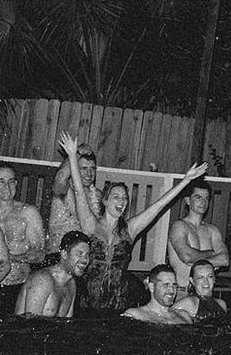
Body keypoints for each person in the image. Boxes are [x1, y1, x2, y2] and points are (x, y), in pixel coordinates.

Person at [58, 132, 208, 311]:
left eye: (124, 198)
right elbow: (79, 193)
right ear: (105, 201)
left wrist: (186, 181)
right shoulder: (91, 224)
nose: (121, 202)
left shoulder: (129, 229)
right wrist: (72, 156)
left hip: (118, 303)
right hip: (87, 303)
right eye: (116, 197)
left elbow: (159, 205)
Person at [0, 163, 46, 312]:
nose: (7, 186)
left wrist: (9, 258)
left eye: (11, 181)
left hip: (19, 286)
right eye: (1, 181)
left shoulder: (28, 213)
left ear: (16, 184)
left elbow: (40, 254)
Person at [15, 231, 92, 318]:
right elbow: (30, 325)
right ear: (64, 254)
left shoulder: (71, 284)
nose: (85, 260)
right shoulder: (42, 281)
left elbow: (67, 323)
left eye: (87, 255)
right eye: (80, 254)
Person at [167, 180, 229, 288]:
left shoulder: (212, 230)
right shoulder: (179, 226)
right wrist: (211, 253)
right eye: (198, 197)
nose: (203, 202)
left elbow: (224, 260)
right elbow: (186, 256)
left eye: (206, 198)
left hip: (205, 292)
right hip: (182, 290)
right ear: (188, 200)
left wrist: (195, 262)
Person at [47, 141, 103, 252]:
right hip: (60, 252)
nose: (89, 174)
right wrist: (75, 154)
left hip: (84, 251)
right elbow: (60, 177)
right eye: (84, 169)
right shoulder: (64, 190)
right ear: (74, 168)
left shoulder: (96, 194)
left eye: (92, 169)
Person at [123, 264, 193, 324]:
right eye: (166, 285)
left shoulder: (184, 317)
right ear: (152, 287)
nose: (172, 290)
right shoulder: (135, 315)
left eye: (174, 285)